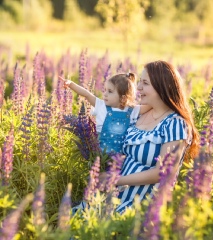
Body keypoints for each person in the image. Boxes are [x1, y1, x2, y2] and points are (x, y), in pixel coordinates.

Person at [98, 60, 200, 213]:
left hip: (143, 205)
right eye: (139, 82)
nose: (138, 88)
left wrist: (115, 180)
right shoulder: (139, 115)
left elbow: (163, 172)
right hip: (114, 196)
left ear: (162, 87)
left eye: (145, 83)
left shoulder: (176, 124)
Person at [59, 73, 151, 155]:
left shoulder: (131, 110)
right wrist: (71, 84)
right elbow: (86, 94)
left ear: (123, 98)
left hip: (120, 158)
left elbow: (151, 105)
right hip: (99, 154)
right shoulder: (101, 105)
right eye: (105, 90)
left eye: (110, 91)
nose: (105, 94)